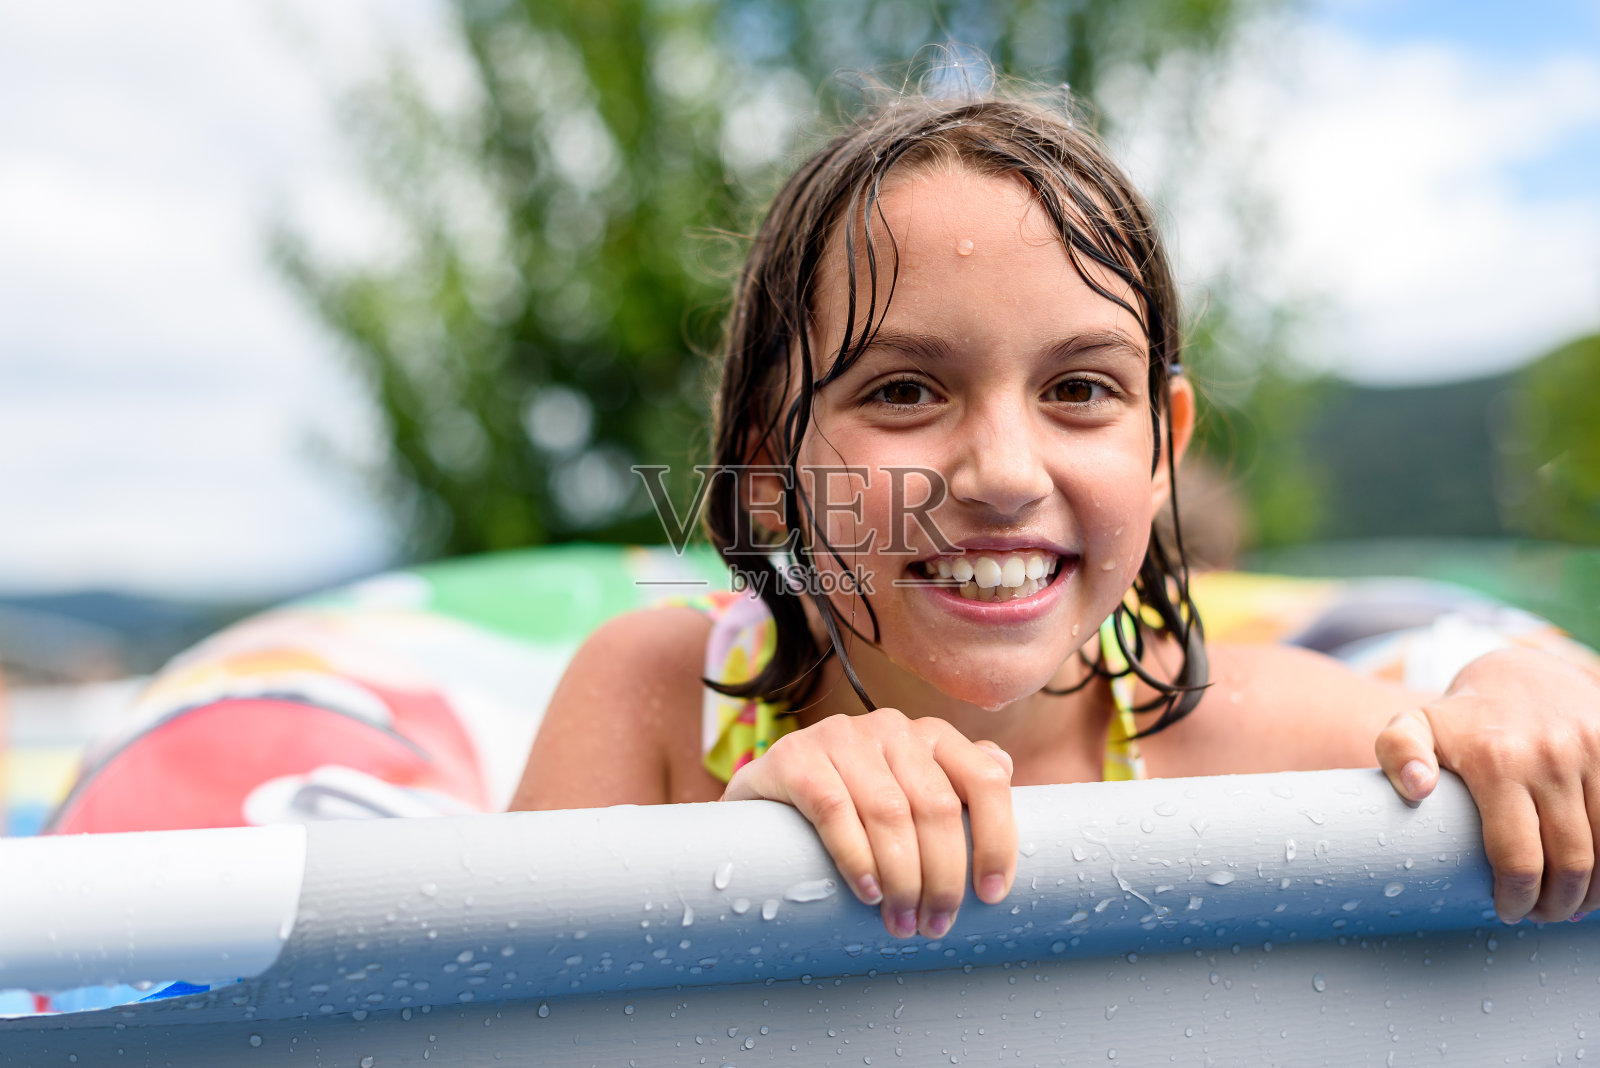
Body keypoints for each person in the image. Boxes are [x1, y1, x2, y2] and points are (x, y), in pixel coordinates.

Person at [510, 86, 1600, 943]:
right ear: (765, 461)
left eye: (1078, 390)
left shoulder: (1235, 733)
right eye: (902, 390)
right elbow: (488, 1010)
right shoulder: (658, 704)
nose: (1001, 472)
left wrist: (1524, 684)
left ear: (1162, 446)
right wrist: (742, 837)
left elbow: (1499, 727)